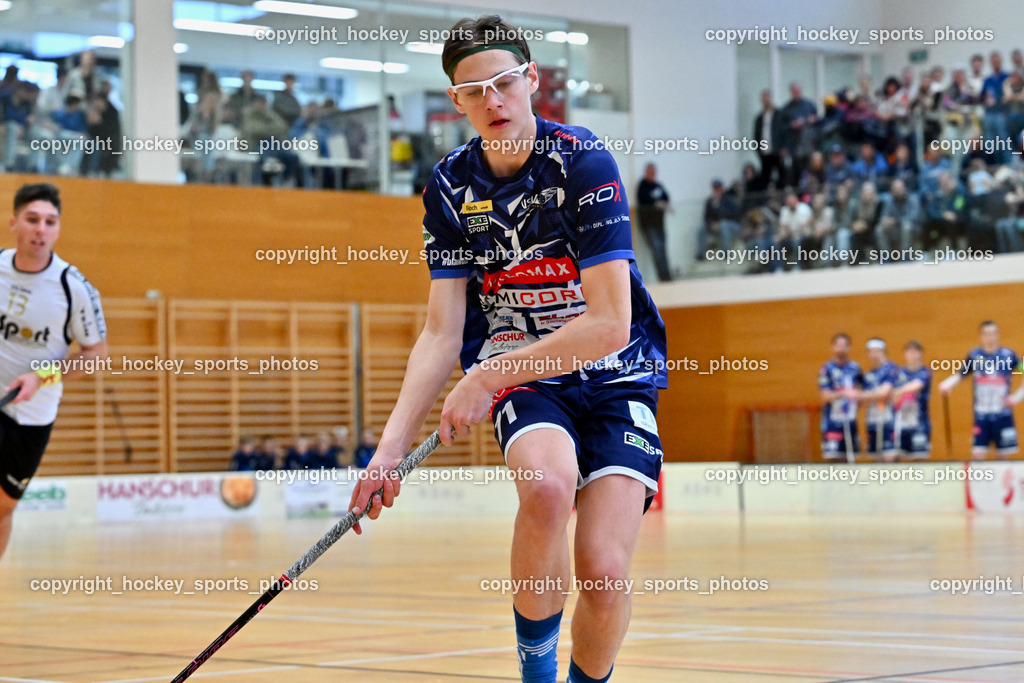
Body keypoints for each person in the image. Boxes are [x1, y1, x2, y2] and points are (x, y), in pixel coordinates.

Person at [347, 15, 668, 683]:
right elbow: (441, 330)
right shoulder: (448, 188)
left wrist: (487, 374)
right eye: (474, 91)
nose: (493, 101)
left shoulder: (584, 163)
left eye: (503, 83)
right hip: (531, 376)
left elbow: (609, 323)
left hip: (616, 374)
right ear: (456, 102)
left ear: (532, 80)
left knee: (605, 572)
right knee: (547, 487)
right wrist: (387, 452)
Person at [0, 183, 108, 559]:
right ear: (14, 223)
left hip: (31, 415)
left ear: (58, 228)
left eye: (50, 221)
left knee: (3, 508)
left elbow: (96, 354)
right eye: (32, 220)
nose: (40, 229)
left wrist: (41, 376)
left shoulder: (72, 288)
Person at [939, 320, 1023, 459]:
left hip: (1003, 415)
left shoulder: (1009, 355)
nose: (990, 337)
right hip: (981, 415)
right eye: (987, 334)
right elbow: (962, 374)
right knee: (978, 455)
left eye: (993, 334)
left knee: (1003, 456)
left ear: (998, 335)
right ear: (981, 336)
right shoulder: (974, 355)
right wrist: (948, 383)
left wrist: (1017, 397)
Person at [818, 333, 863, 460]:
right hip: (832, 422)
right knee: (834, 459)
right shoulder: (827, 369)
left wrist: (859, 397)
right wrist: (843, 394)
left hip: (851, 420)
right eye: (838, 346)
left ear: (849, 348)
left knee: (851, 458)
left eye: (844, 346)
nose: (841, 349)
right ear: (833, 348)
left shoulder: (855, 368)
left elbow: (862, 392)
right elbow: (824, 395)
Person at [859, 338, 900, 461]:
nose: (874, 355)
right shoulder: (868, 375)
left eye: (877, 351)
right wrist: (871, 396)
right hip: (872, 421)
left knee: (890, 457)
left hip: (889, 421)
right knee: (876, 459)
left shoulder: (891, 368)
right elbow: (862, 402)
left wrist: (864, 395)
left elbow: (885, 392)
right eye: (871, 352)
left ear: (883, 352)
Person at [892, 341, 932, 460]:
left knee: (919, 457)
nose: (912, 355)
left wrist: (899, 391)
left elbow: (916, 385)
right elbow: (892, 396)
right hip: (901, 422)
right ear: (905, 354)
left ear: (920, 354)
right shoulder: (898, 373)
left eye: (915, 352)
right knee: (895, 456)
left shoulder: (925, 372)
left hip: (919, 423)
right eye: (909, 352)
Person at [635, 163, 672, 281]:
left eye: (653, 172)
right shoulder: (642, 186)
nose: (652, 174)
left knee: (663, 250)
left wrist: (660, 202)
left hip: (659, 224)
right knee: (657, 249)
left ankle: (667, 276)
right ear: (646, 172)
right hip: (648, 226)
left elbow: (666, 197)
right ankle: (662, 277)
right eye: (650, 172)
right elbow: (645, 200)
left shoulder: (658, 186)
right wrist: (657, 203)